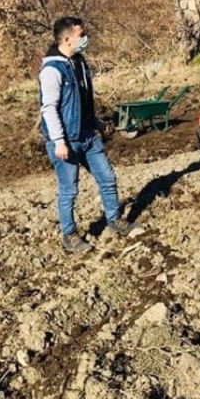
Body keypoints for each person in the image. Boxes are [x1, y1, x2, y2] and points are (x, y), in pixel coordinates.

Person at [39, 16, 142, 252]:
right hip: (67, 140)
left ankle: (115, 220)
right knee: (69, 190)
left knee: (107, 177)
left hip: (86, 134)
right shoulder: (52, 70)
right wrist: (59, 142)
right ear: (67, 39)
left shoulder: (79, 63)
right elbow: (49, 108)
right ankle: (70, 234)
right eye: (81, 35)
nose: (85, 39)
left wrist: (96, 122)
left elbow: (81, 104)